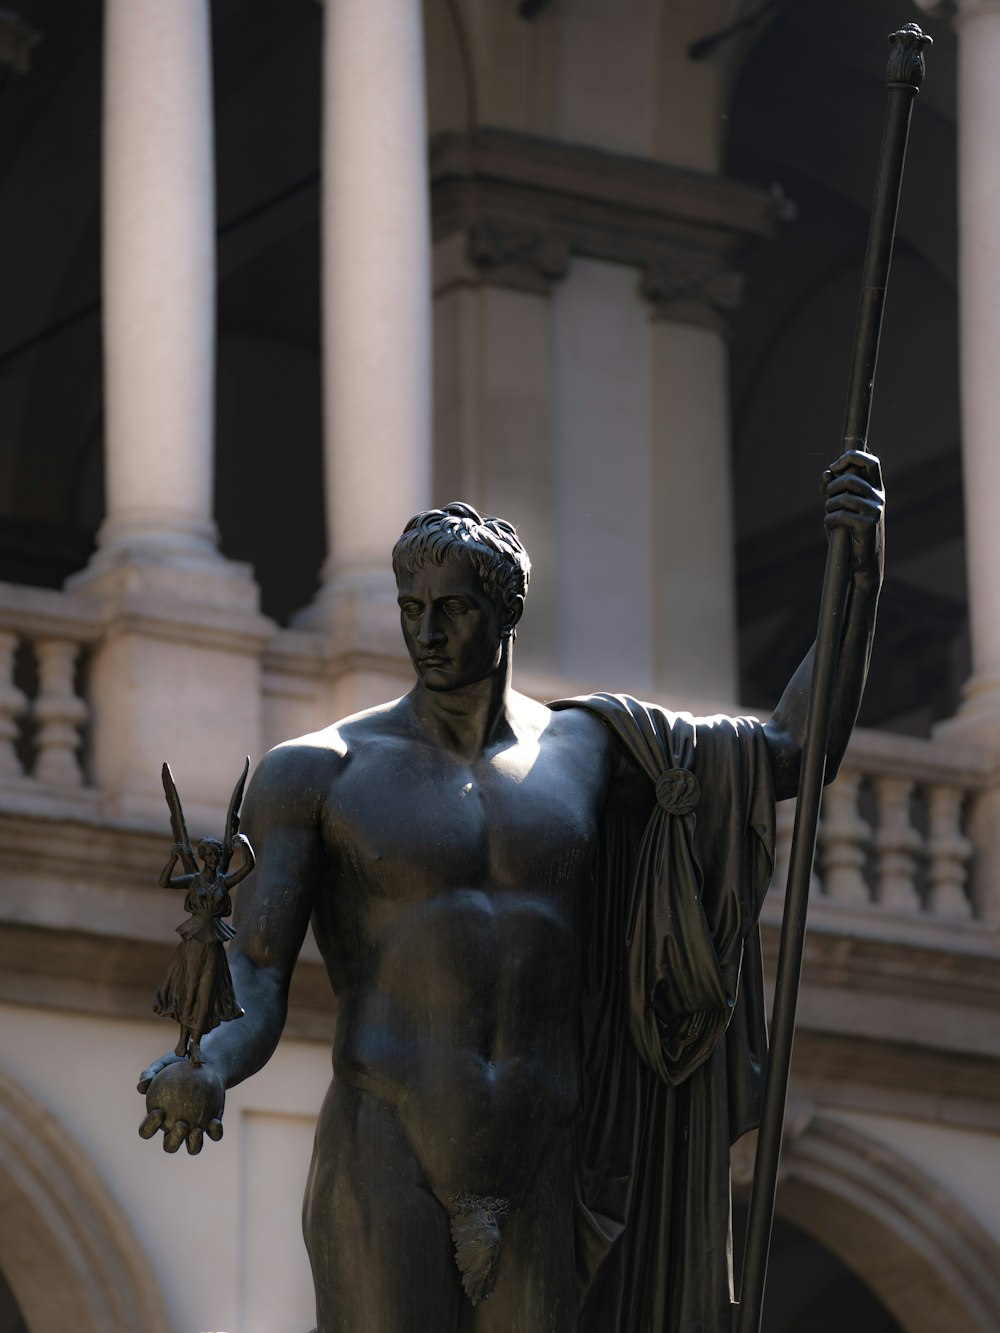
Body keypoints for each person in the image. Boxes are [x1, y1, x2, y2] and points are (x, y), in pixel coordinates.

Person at [138, 450, 884, 1333]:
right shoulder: (321, 772)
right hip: (388, 1154)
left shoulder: (592, 752)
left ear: (507, 610)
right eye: (412, 610)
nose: (428, 633)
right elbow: (255, 971)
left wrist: (856, 579)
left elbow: (792, 753)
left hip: (545, 1160)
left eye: (453, 609)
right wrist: (207, 1064)